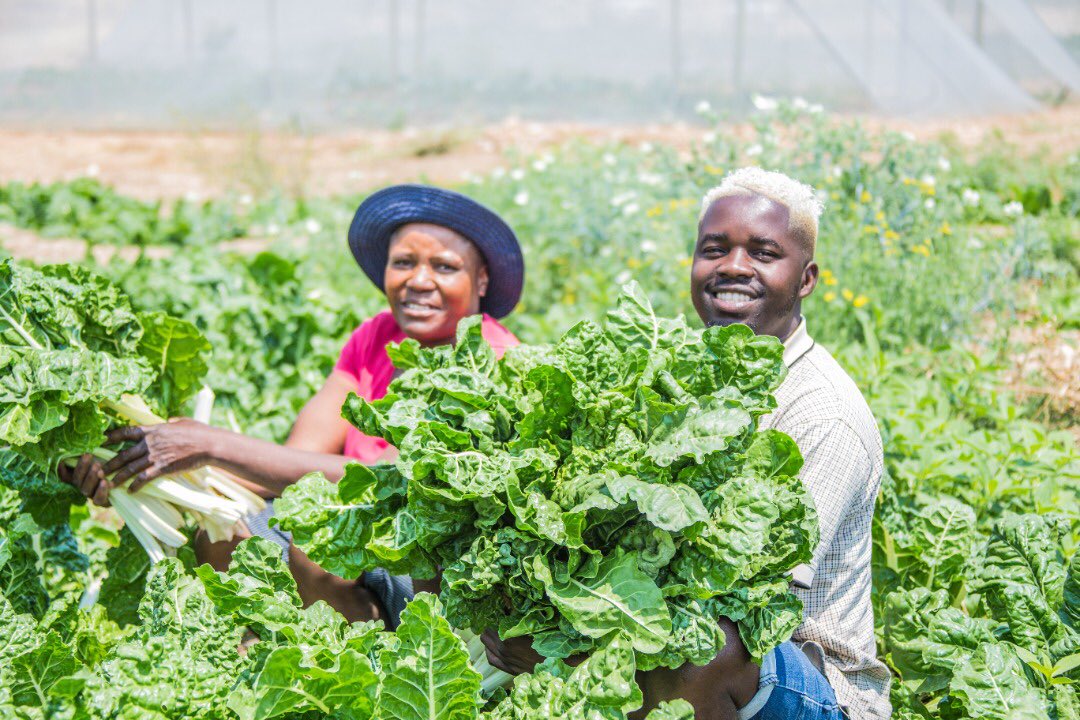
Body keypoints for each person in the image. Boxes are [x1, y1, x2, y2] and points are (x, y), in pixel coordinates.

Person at [482, 168, 891, 719]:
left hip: (810, 680)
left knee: (706, 649)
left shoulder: (824, 414)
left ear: (807, 278)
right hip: (666, 631)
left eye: (764, 253)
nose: (733, 267)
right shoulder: (684, 375)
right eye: (714, 249)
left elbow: (756, 603)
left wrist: (569, 651)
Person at [61, 184, 525, 628]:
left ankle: (369, 665)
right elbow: (295, 462)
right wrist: (141, 462)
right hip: (357, 533)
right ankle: (256, 652)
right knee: (220, 525)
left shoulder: (492, 361)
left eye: (444, 267)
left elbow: (391, 483)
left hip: (433, 568)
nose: (418, 281)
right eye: (404, 262)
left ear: (481, 279)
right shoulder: (377, 337)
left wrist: (209, 445)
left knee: (318, 545)